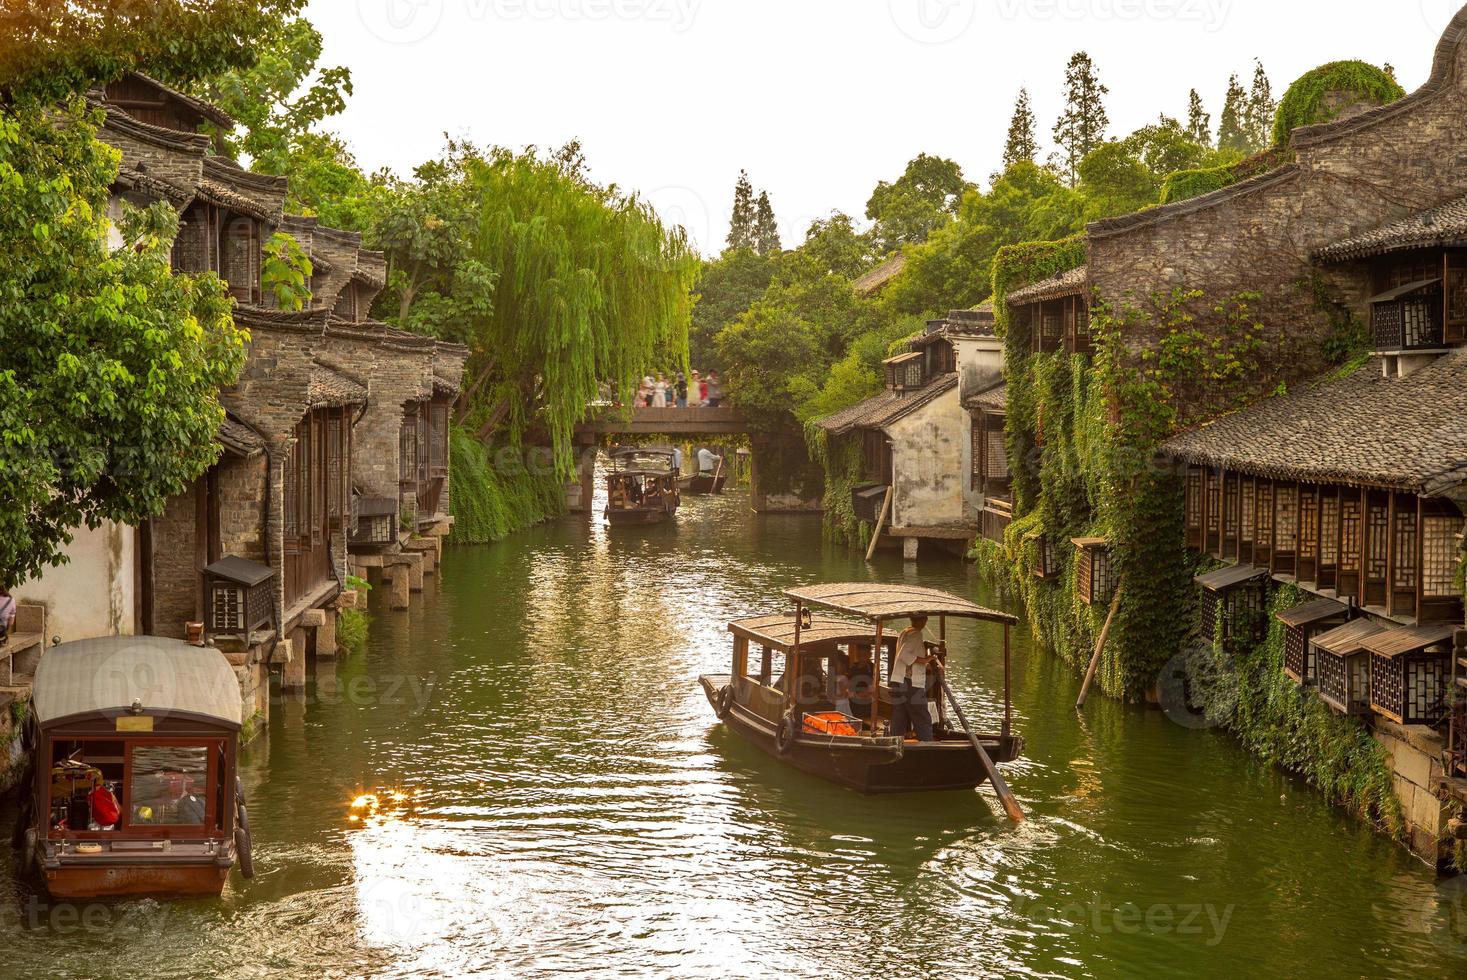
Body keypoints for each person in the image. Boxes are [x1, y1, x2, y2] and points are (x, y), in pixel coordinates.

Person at [889, 616, 937, 742]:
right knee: (923, 718)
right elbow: (903, 655)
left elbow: (908, 655)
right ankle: (928, 749)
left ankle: (893, 744)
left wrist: (923, 661)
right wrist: (925, 660)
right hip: (911, 683)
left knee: (899, 719)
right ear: (923, 620)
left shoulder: (905, 632)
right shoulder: (916, 634)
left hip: (900, 681)